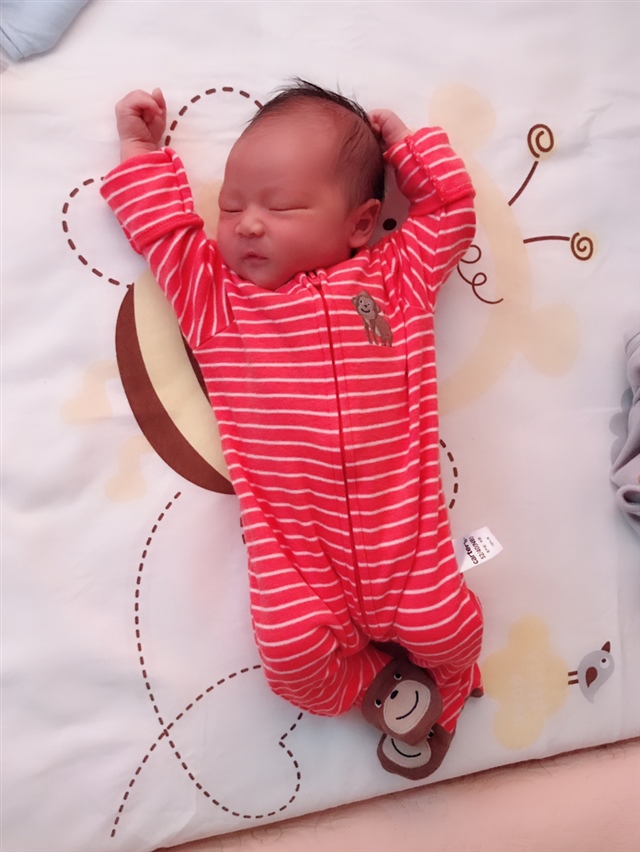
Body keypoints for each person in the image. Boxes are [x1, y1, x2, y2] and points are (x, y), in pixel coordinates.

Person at [102, 79, 484, 779]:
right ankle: (379, 687)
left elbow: (452, 211)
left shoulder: (397, 280)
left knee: (451, 629)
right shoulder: (219, 303)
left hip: (405, 538)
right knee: (290, 663)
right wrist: (139, 150)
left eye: (280, 207)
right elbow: (165, 234)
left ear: (362, 224)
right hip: (297, 556)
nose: (248, 224)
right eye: (232, 206)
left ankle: (446, 690)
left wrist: (410, 149)